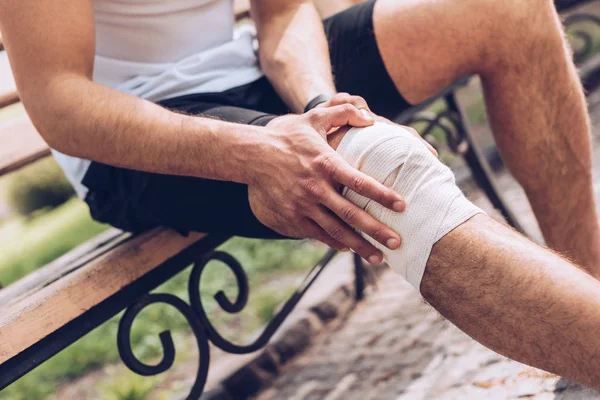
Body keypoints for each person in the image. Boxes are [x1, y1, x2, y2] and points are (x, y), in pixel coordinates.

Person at [2, 0, 600, 389]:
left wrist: (319, 105)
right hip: (129, 139)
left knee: (505, 11)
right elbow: (59, 100)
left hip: (245, 73)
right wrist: (257, 150)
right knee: (375, 166)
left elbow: (284, 12)